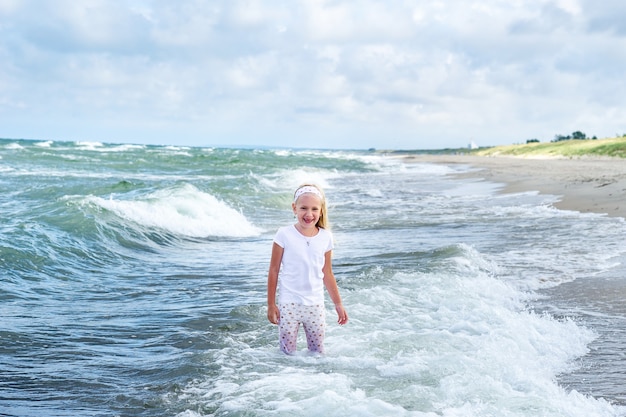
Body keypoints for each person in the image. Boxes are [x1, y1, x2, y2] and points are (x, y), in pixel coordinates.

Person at [267, 184, 348, 354]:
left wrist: (338, 304)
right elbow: (273, 270)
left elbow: (327, 273)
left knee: (317, 353)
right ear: (294, 208)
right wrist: (271, 304)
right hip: (289, 303)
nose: (309, 214)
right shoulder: (284, 234)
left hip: (315, 304)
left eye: (314, 209)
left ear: (321, 211)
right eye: (303, 208)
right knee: (287, 353)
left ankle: (315, 380)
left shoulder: (325, 237)